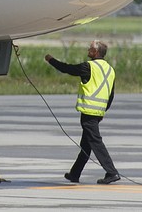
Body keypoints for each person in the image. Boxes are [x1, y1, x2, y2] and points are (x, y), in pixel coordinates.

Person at [45, 40, 120, 184]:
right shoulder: (110, 69)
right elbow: (111, 95)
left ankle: (112, 172)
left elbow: (67, 69)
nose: (88, 49)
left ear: (96, 52)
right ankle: (75, 173)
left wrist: (51, 60)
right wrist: (102, 110)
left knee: (95, 142)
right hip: (98, 112)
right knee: (86, 143)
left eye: (90, 48)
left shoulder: (89, 67)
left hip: (89, 111)